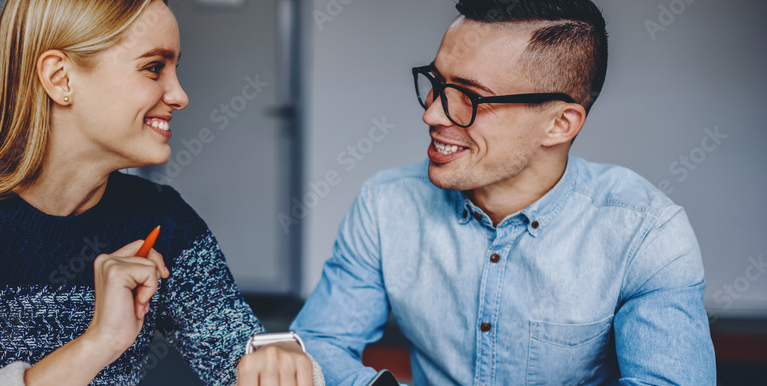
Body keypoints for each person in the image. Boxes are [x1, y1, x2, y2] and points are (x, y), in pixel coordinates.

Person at [0, 1, 322, 385]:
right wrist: (99, 342)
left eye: (175, 69)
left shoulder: (163, 218)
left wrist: (277, 360)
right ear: (60, 79)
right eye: (154, 67)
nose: (179, 94)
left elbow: (240, 351)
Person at [291, 0, 716, 384]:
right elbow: (315, 345)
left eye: (469, 96)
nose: (433, 113)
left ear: (560, 124)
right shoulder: (385, 205)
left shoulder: (646, 232)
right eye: (436, 83)